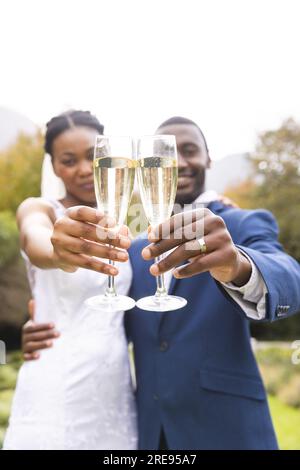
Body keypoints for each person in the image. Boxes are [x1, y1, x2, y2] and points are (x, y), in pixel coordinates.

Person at [21, 116, 300, 450]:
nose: (180, 162)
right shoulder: (135, 249)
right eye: (168, 156)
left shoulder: (238, 223)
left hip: (228, 432)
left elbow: (290, 278)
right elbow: (105, 317)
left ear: (208, 158)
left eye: (191, 150)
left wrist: (237, 263)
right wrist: (46, 328)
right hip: (147, 436)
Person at [3, 110, 138, 450]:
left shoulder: (125, 221)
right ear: (53, 165)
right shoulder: (39, 209)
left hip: (115, 389)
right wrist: (56, 251)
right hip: (55, 383)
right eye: (68, 160)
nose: (82, 168)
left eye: (93, 156)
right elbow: (36, 240)